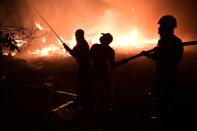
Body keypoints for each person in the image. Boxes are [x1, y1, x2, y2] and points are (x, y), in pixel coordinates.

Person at [141, 15, 184, 129]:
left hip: (169, 73)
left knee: (166, 96)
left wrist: (157, 54)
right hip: (160, 72)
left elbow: (174, 59)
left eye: (162, 26)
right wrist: (149, 54)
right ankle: (161, 117)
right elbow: (158, 56)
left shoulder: (175, 42)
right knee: (159, 94)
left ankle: (166, 121)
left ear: (169, 28)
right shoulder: (163, 41)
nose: (159, 29)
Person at [63, 29, 90, 107]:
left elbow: (74, 54)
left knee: (81, 80)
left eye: (76, 35)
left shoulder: (82, 44)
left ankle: (83, 97)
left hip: (84, 64)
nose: (75, 36)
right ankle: (85, 95)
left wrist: (67, 49)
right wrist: (67, 48)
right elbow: (74, 53)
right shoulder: (80, 43)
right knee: (84, 79)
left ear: (80, 35)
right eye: (75, 35)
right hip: (83, 64)